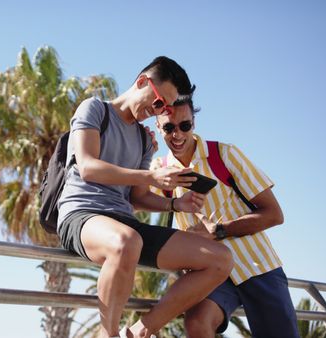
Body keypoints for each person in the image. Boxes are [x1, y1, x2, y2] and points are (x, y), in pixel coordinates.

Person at [56, 56, 233, 338]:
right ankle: (108, 334)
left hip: (126, 225)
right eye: (159, 101)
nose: (158, 110)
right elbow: (88, 167)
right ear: (142, 82)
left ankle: (140, 331)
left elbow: (137, 197)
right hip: (82, 214)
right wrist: (150, 177)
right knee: (127, 242)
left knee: (220, 259)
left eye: (164, 107)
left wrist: (175, 204)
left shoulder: (142, 138)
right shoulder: (94, 109)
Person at [151, 99, 299, 338]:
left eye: (185, 125)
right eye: (169, 128)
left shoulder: (224, 154)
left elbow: (274, 214)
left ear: (194, 123)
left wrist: (219, 231)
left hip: (255, 265)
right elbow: (134, 203)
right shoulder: (158, 169)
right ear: (158, 127)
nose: (177, 134)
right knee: (197, 324)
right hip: (209, 272)